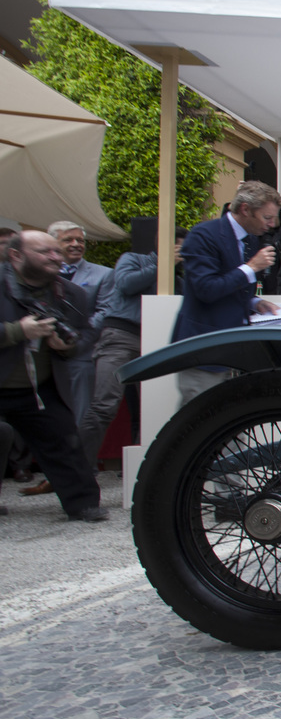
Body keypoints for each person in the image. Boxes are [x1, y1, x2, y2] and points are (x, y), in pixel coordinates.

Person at [0, 231, 108, 521]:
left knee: (64, 439)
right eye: (44, 252)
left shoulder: (71, 294)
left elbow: (85, 333)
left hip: (39, 386)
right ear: (16, 256)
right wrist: (16, 332)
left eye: (55, 252)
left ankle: (84, 504)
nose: (55, 257)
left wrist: (69, 347)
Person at [76, 225, 187, 464]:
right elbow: (125, 284)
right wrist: (164, 264)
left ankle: (142, 467)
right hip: (121, 336)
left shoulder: (178, 280)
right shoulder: (133, 260)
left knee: (154, 408)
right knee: (104, 404)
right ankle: (79, 469)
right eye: (177, 247)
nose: (181, 252)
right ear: (163, 243)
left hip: (158, 342)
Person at [172, 180, 281, 406]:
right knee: (199, 425)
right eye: (267, 217)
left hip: (235, 354)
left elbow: (235, 286)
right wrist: (251, 267)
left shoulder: (251, 238)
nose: (272, 225)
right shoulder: (202, 235)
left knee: (233, 425)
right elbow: (206, 289)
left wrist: (255, 303)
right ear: (245, 209)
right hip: (204, 351)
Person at [47, 221, 113, 429]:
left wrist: (74, 340)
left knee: (80, 419)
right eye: (68, 239)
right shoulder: (40, 272)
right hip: (42, 356)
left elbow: (104, 312)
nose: (76, 244)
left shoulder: (103, 274)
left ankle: (81, 461)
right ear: (53, 243)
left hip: (79, 356)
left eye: (80, 240)